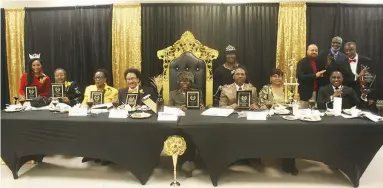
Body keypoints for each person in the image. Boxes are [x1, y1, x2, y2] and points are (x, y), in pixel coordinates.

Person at [258, 68, 298, 175]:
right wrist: (274, 106)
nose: (277, 78)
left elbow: (293, 102)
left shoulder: (288, 88)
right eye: (275, 76)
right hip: (271, 117)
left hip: (287, 117)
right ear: (270, 78)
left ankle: (289, 164)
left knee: (291, 137)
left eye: (280, 76)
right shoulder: (266, 89)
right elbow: (261, 103)